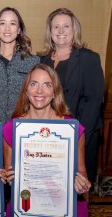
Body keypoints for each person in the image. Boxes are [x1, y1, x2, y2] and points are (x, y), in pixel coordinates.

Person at [0, 64, 91, 216]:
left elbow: (82, 172)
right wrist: (7, 176)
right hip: (27, 202)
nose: (39, 91)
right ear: (26, 91)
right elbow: (10, 177)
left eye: (47, 85)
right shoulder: (10, 129)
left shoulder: (71, 129)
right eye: (33, 84)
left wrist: (81, 184)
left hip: (62, 203)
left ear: (55, 92)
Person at [38, 8, 104, 187]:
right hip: (48, 138)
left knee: (77, 190)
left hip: (80, 135)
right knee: (49, 187)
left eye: (66, 26)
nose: (60, 31)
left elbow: (94, 101)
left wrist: (77, 136)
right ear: (50, 31)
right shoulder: (41, 60)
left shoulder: (88, 59)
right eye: (56, 26)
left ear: (74, 30)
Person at [0, 7, 39, 123]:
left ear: (19, 29)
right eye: (2, 23)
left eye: (12, 23)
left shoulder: (33, 62)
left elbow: (36, 99)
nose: (7, 28)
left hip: (23, 126)